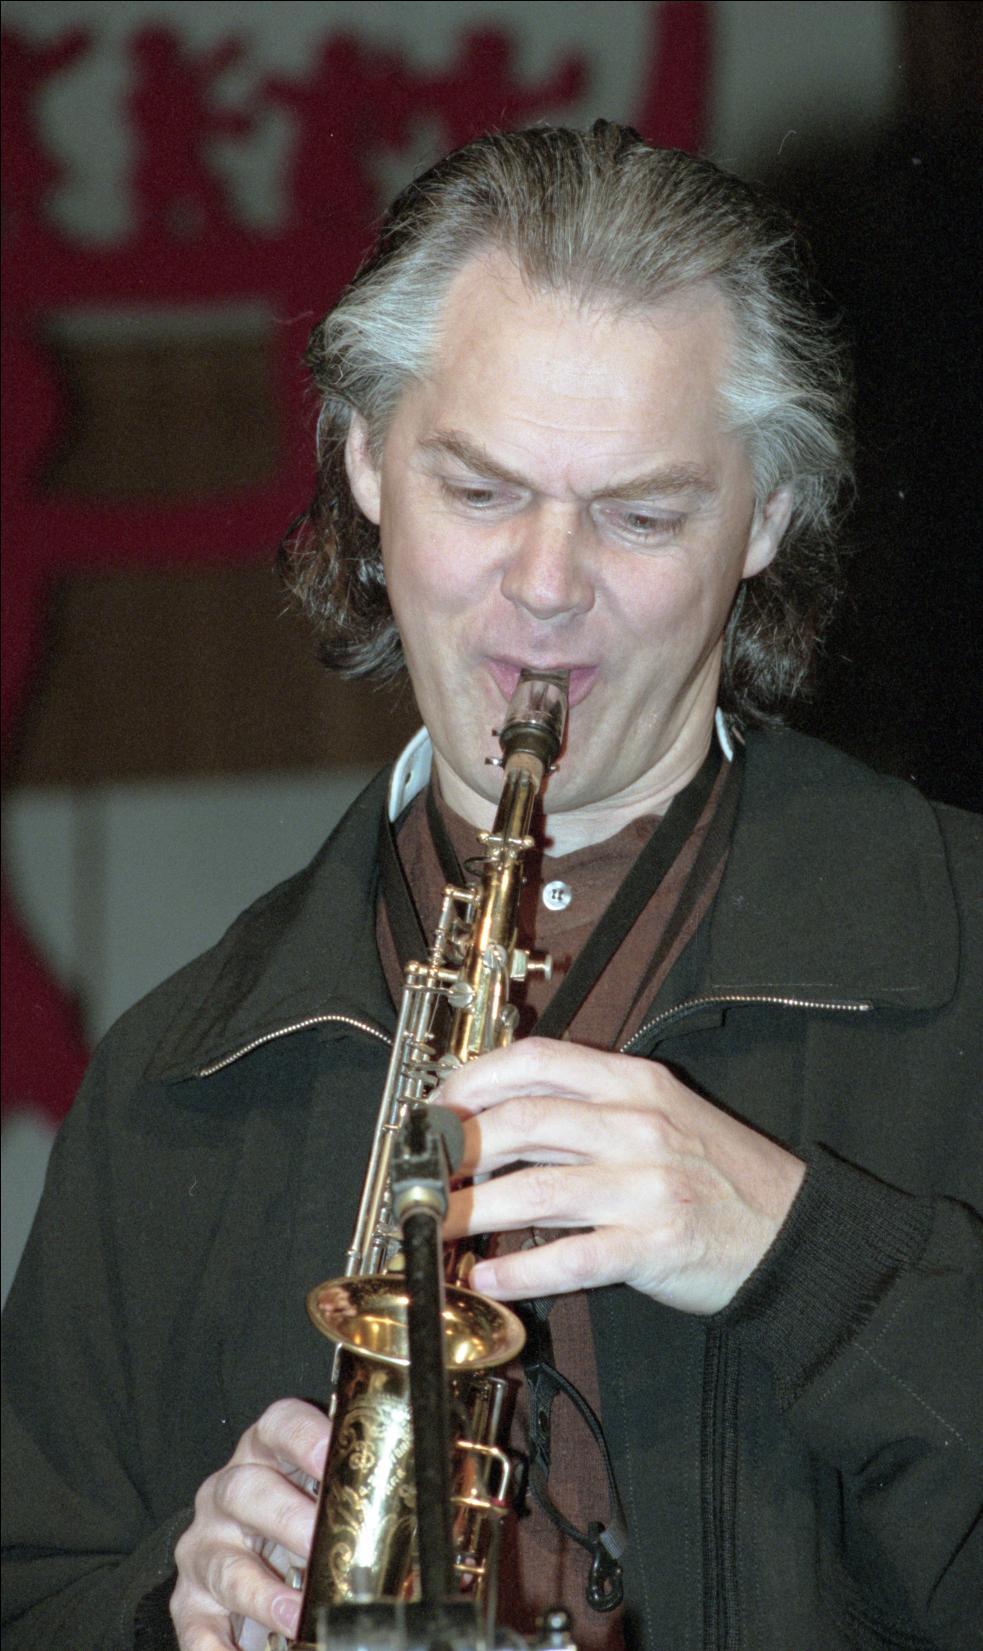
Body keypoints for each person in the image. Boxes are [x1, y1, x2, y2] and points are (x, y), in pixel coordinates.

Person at [2, 123, 980, 1651]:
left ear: (768, 520)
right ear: (363, 460)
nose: (544, 587)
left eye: (641, 515)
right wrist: (163, 1611)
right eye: (478, 490)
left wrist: (810, 1263)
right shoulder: (167, 1085)